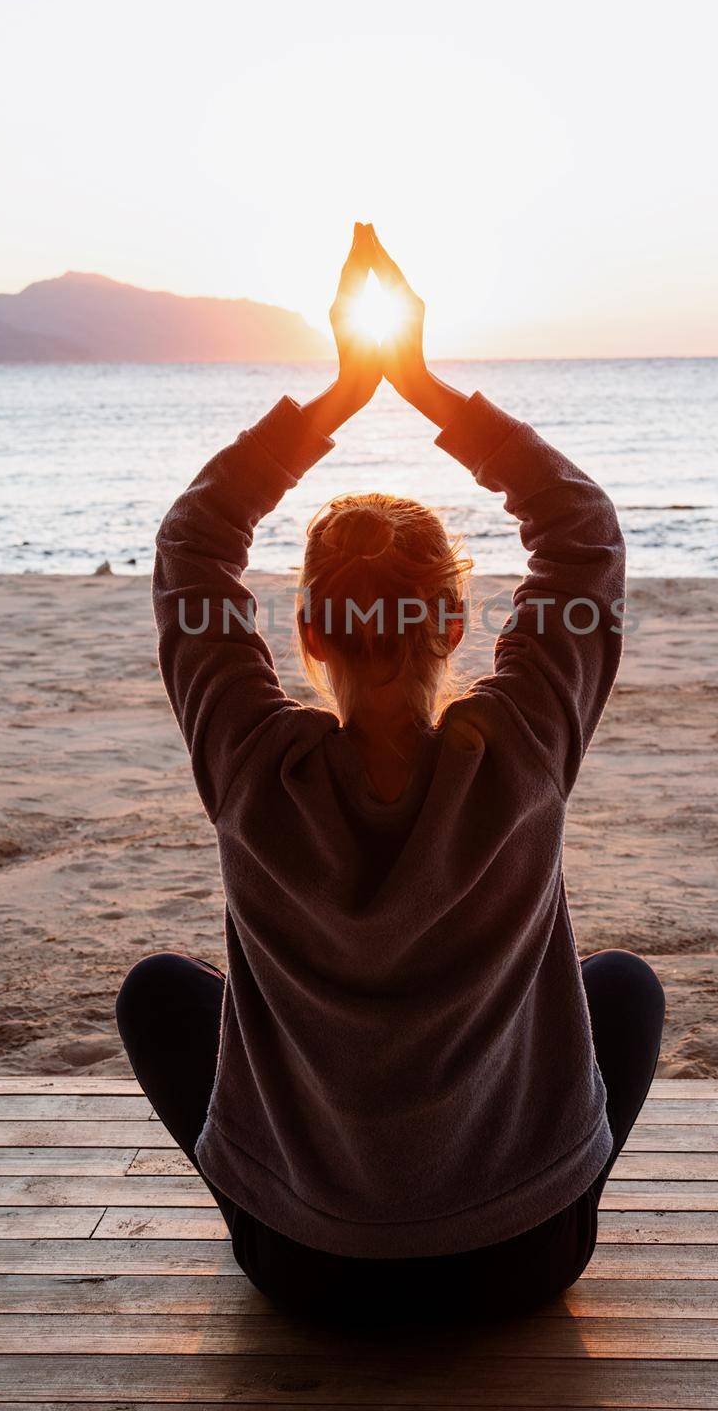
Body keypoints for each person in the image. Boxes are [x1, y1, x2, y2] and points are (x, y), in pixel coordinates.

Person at [116, 223, 664, 1323]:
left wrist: (335, 396)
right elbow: (581, 532)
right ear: (456, 621)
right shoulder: (522, 748)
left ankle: (310, 1207)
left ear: (308, 632)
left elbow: (194, 543)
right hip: (523, 1256)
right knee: (624, 987)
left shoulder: (248, 762)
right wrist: (420, 386)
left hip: (304, 1268)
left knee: (158, 996)